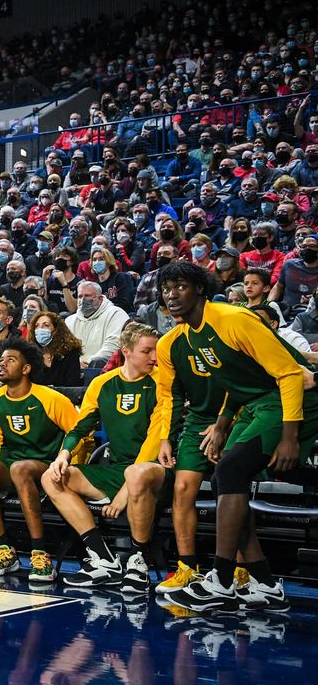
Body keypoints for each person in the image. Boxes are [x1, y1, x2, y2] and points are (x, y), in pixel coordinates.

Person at [156, 261, 313, 613]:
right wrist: (224, 424)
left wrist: (289, 436)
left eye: (180, 286)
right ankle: (265, 582)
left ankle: (222, 579)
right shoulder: (189, 334)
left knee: (231, 472)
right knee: (229, 478)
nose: (171, 295)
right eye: (166, 290)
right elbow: (232, 382)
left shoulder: (233, 319)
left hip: (286, 398)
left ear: (199, 288)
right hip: (252, 404)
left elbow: (289, 375)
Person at [44, 324, 167, 592]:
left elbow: (155, 441)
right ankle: (103, 558)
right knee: (52, 477)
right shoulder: (101, 383)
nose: (154, 358)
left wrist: (125, 490)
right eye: (146, 351)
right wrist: (63, 456)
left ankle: (138, 560)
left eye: (155, 351)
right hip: (118, 469)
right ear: (126, 352)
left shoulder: (162, 382)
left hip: (158, 469)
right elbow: (80, 427)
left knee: (136, 475)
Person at [0, 339, 80, 581]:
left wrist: (69, 468)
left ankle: (40, 553)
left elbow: (80, 433)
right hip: (12, 466)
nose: (3, 364)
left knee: (21, 469)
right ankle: (4, 550)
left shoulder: (51, 398)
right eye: (1, 360)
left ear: (26, 368)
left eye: (11, 360)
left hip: (45, 466)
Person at [65, 281, 127, 367]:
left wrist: (90, 363)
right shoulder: (70, 320)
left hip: (102, 368)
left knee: (97, 361)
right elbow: (64, 347)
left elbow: (113, 345)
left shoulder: (116, 314)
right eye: (80, 296)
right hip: (74, 368)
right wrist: (76, 363)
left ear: (100, 298)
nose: (83, 300)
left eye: (87, 296)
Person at [27, 311, 83, 388]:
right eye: (37, 326)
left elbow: (73, 384)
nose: (40, 329)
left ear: (56, 330)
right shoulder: (29, 354)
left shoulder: (70, 352)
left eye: (46, 325)